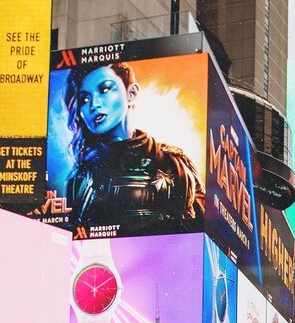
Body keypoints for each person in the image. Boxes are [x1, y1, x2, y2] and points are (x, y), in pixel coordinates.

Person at [63, 62, 205, 229]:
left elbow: (199, 230)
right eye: (84, 99)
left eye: (105, 89)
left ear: (131, 94)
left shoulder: (172, 163)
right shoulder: (81, 177)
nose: (94, 105)